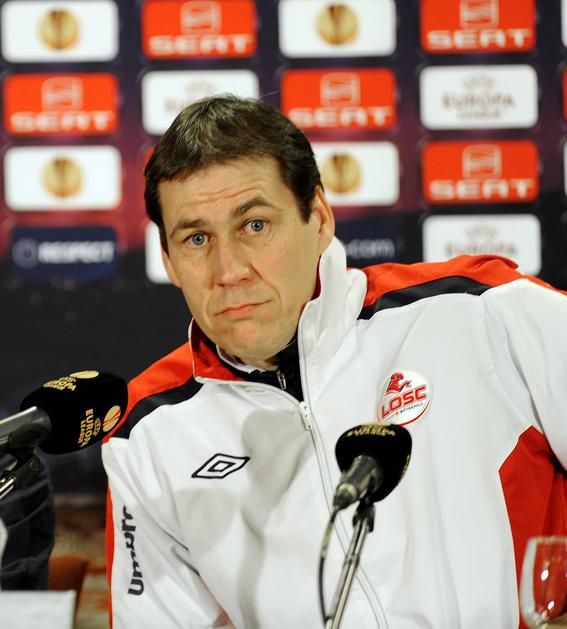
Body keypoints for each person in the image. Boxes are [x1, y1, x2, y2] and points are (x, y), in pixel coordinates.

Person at [102, 95, 567, 629]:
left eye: (254, 225)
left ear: (319, 219)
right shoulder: (145, 434)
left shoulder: (480, 311)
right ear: (168, 260)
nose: (229, 270)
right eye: (197, 238)